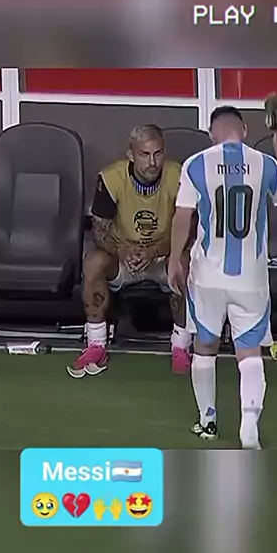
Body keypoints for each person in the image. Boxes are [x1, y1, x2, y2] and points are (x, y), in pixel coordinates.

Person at [167, 106, 277, 449]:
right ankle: (249, 426)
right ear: (245, 129)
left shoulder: (196, 164)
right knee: (249, 353)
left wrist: (175, 259)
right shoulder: (266, 163)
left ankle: (207, 421)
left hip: (207, 275)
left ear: (212, 134)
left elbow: (183, 216)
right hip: (250, 278)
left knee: (204, 346)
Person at [67, 124, 193, 379]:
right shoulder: (111, 178)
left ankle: (181, 346)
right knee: (93, 261)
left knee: (186, 262)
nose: (152, 162)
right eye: (145, 154)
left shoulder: (179, 176)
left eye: (158, 153)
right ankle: (96, 345)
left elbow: (190, 229)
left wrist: (154, 251)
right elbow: (99, 229)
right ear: (131, 155)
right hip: (124, 257)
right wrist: (122, 250)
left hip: (163, 256)